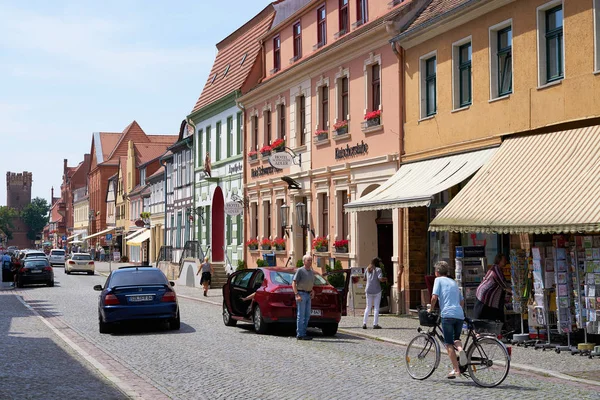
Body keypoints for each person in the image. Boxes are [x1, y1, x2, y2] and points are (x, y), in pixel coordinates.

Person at [429, 261, 465, 379]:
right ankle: (460, 349)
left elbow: (434, 297)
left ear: (437, 272)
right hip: (459, 314)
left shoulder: (438, 280)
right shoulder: (453, 282)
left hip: (448, 315)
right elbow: (462, 301)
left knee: (448, 343)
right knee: (456, 339)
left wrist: (431, 310)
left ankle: (456, 369)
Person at [473, 254, 512, 322]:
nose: (506, 261)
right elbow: (503, 284)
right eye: (504, 260)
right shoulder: (496, 269)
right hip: (485, 295)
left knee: (492, 314)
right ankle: (479, 329)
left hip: (490, 296)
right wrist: (514, 292)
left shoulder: (497, 269)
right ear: (499, 260)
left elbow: (504, 283)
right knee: (482, 315)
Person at [292, 254, 315, 341]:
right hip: (301, 294)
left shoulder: (312, 271)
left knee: (307, 315)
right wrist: (297, 294)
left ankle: (304, 333)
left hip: (308, 295)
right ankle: (300, 334)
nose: (310, 262)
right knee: (301, 315)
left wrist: (312, 290)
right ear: (304, 261)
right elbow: (294, 283)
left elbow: (311, 283)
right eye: (308, 260)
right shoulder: (300, 270)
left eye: (311, 260)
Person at [362, 257, 387, 329]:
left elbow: (364, 279)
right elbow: (380, 279)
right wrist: (385, 279)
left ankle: (364, 323)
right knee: (376, 308)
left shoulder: (367, 269)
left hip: (368, 290)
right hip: (376, 290)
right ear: (377, 263)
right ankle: (375, 324)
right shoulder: (378, 269)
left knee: (368, 307)